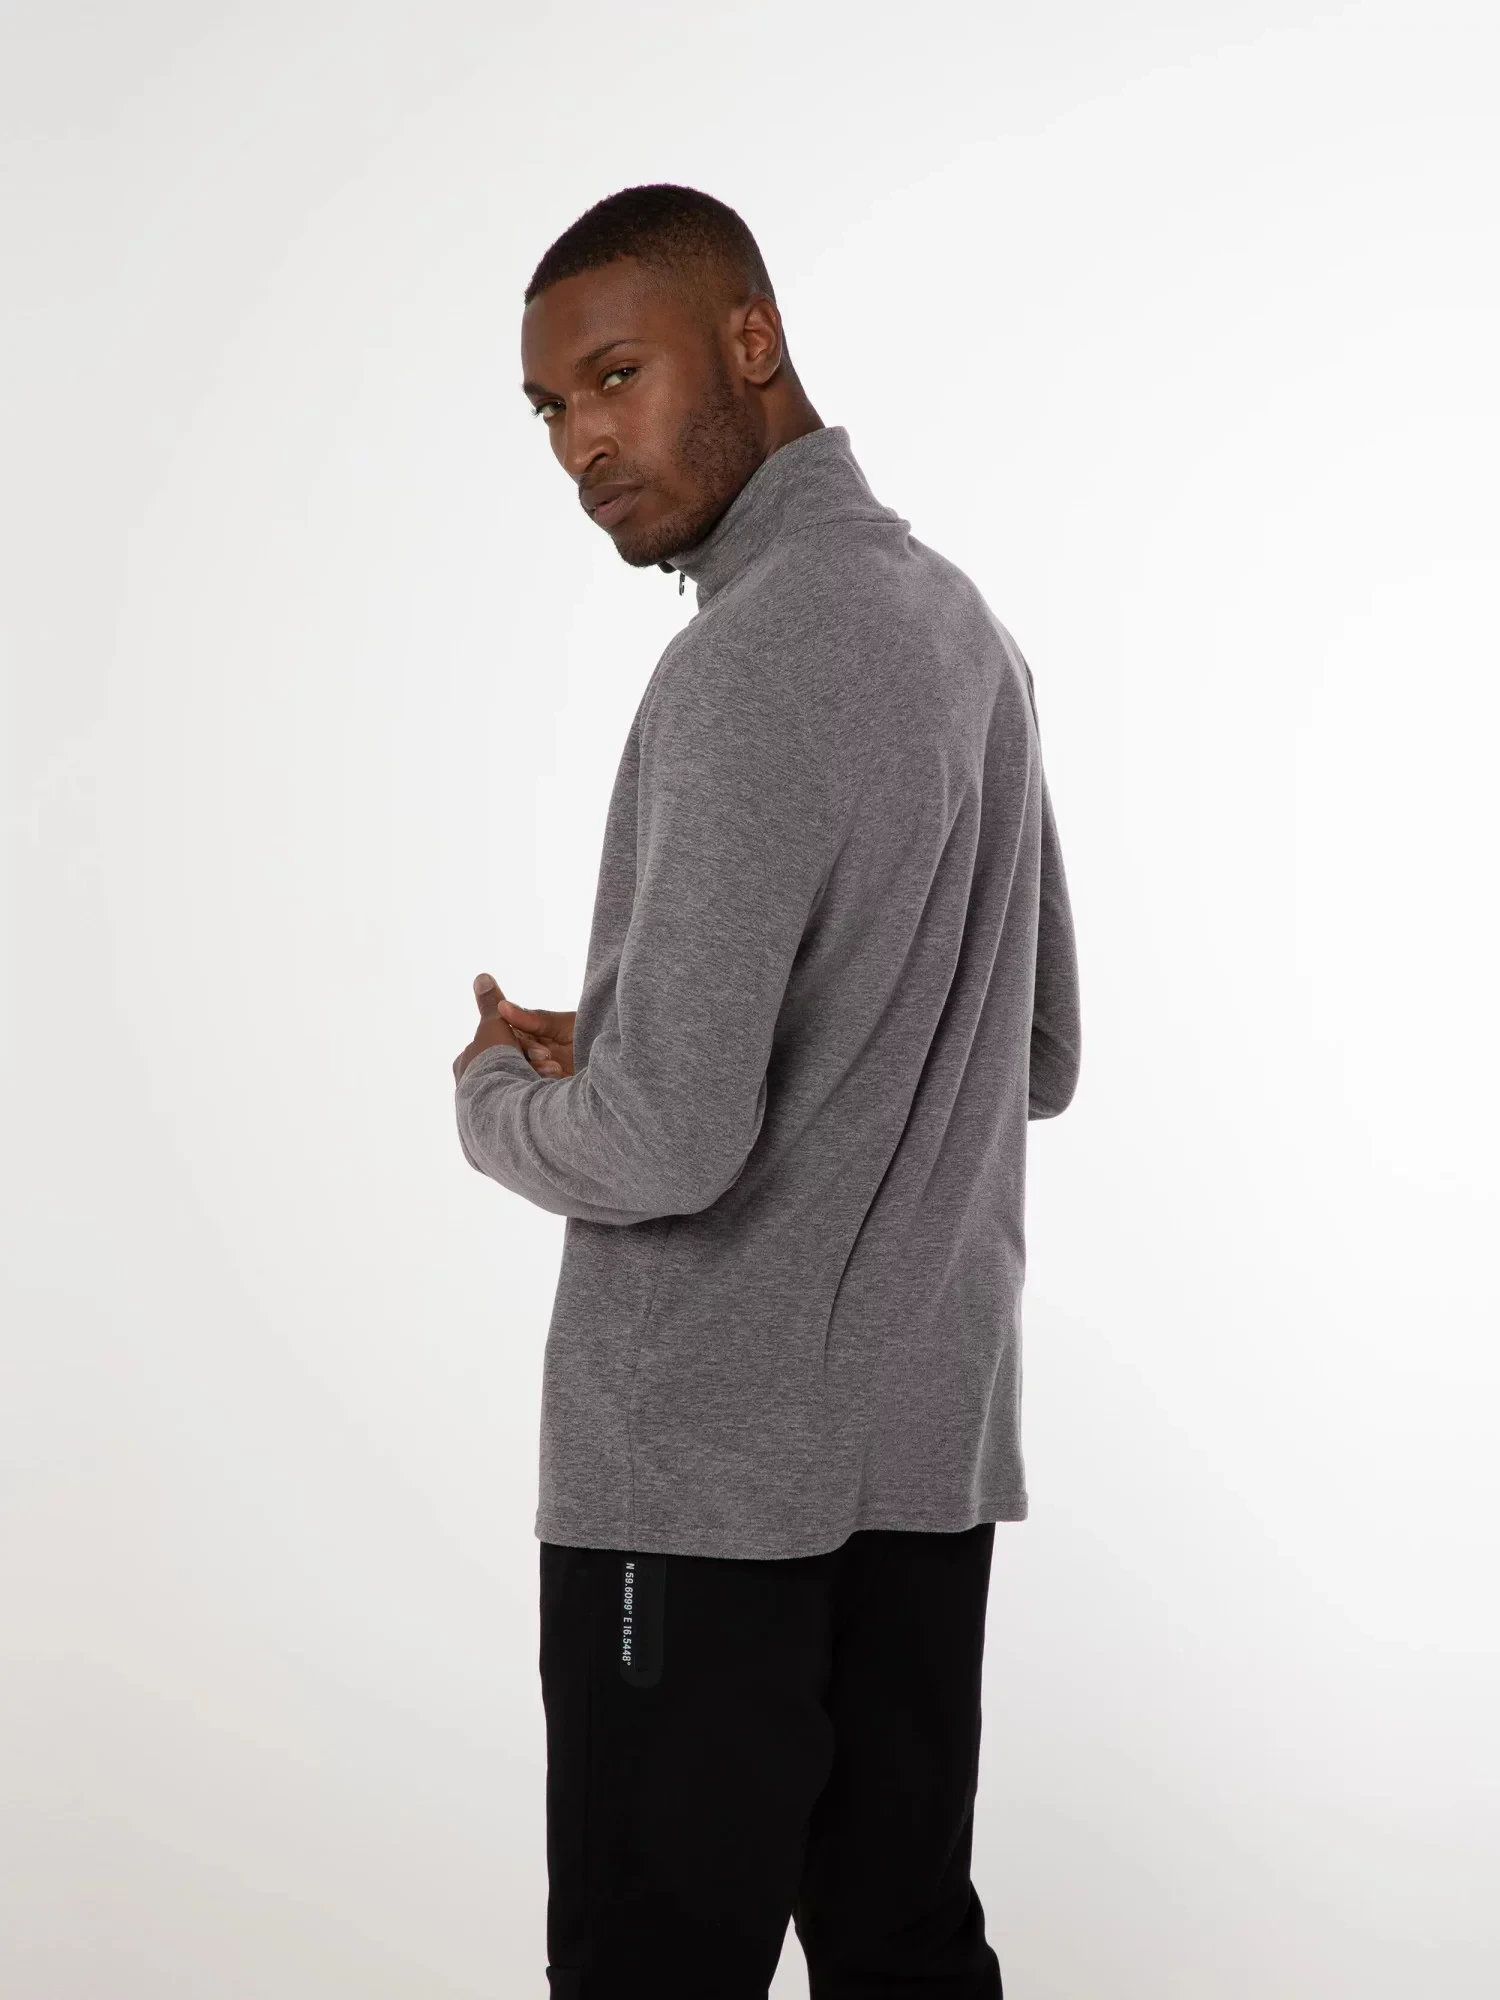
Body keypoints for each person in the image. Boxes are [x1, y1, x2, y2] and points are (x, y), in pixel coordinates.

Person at [451, 183, 1082, 2000]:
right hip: (921, 1463)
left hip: (699, 1494)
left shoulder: (743, 662)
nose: (582, 444)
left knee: (653, 1970)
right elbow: (1031, 1049)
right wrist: (642, 1031)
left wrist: (494, 1095)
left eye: (616, 377)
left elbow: (669, 1142)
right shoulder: (962, 631)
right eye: (550, 409)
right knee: (905, 1947)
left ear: (752, 340)